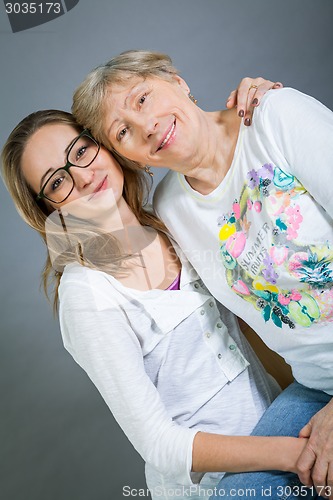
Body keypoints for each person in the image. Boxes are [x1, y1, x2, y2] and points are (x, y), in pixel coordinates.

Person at [1, 108, 317, 500]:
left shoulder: (172, 223)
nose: (81, 176)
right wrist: (301, 454)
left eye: (80, 151)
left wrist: (261, 102)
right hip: (222, 486)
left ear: (101, 144)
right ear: (49, 208)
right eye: (57, 181)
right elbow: (159, 444)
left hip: (281, 429)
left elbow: (255, 329)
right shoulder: (86, 296)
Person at [70, 49, 333, 499]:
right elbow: (252, 323)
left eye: (143, 99)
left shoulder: (274, 118)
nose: (147, 125)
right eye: (123, 132)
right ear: (131, 159)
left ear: (177, 80)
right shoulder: (171, 211)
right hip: (316, 386)